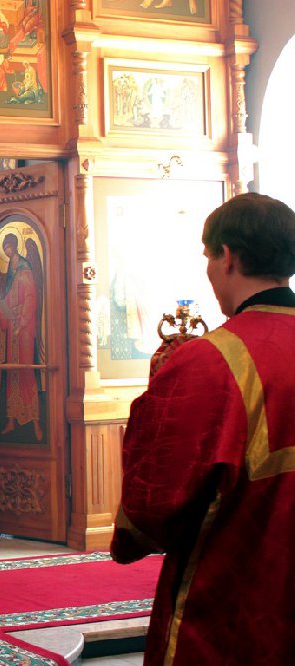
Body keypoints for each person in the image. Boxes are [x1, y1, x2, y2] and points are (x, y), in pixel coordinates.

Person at [111, 192, 295, 665]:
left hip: (234, 602)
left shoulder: (209, 361)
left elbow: (155, 500)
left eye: (209, 258)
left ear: (227, 256)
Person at [0, 233, 43, 440]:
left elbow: (31, 298)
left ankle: (36, 421)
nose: (6, 251)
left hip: (24, 328)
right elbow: (7, 297)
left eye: (9, 247)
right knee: (12, 373)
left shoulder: (25, 270)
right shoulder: (11, 271)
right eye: (4, 248)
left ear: (15, 246)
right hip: (13, 326)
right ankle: (11, 420)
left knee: (25, 371)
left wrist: (21, 323)